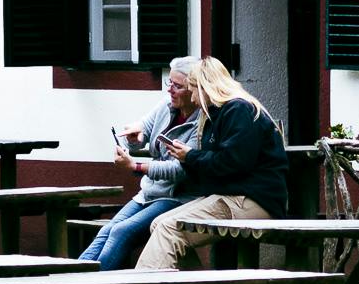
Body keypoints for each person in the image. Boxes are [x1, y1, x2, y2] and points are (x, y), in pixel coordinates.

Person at [133, 55, 290, 272]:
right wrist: (186, 158)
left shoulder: (238, 110)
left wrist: (190, 157)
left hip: (253, 199)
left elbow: (232, 163)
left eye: (193, 89)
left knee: (169, 228)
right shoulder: (215, 115)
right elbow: (212, 164)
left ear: (206, 88)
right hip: (231, 196)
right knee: (158, 224)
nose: (194, 98)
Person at [79, 62, 202, 266]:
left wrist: (135, 167)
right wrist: (136, 138)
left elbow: (180, 170)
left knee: (121, 232)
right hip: (150, 192)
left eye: (177, 86)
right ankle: (70, 283)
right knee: (105, 231)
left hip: (179, 197)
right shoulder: (167, 104)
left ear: (194, 89)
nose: (169, 89)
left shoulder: (203, 121)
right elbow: (142, 127)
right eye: (169, 82)